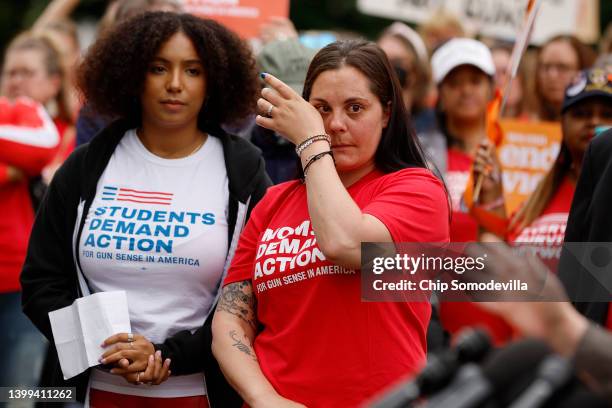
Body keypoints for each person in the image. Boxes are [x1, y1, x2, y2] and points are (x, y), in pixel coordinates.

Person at [21, 11, 269, 407]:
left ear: (214, 81)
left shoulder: (243, 170)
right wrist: (110, 348)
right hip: (87, 392)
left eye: (192, 71)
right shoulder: (87, 165)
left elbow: (259, 291)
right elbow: (41, 283)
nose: (174, 84)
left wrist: (167, 356)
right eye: (158, 68)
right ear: (134, 75)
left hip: (205, 392)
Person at [211, 39, 450, 407]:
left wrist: (311, 140)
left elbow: (344, 243)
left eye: (355, 108)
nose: (336, 124)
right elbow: (230, 320)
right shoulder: (275, 202)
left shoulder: (418, 190)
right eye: (321, 109)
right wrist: (263, 398)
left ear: (386, 114)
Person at [0, 97, 59, 390]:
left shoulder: (17, 108)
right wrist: (10, 171)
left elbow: (43, 147)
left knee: (18, 393)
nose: (18, 79)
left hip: (16, 280)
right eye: (13, 71)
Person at [377, 22, 434, 134]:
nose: (388, 69)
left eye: (396, 62)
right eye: (380, 60)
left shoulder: (432, 128)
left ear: (416, 71)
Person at [527, 35, 595, 122]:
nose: (552, 75)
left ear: (582, 70)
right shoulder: (524, 122)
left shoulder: (595, 124)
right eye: (545, 66)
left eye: (562, 67)